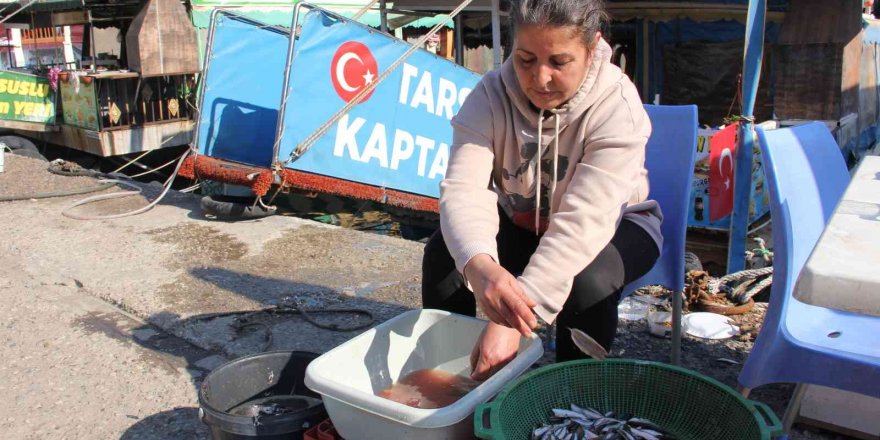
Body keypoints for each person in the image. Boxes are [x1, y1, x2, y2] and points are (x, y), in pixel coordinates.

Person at [421, 0, 662, 381]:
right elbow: (464, 189)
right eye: (526, 59)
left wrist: (511, 321)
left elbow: (583, 223)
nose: (540, 78)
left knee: (590, 283)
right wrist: (480, 267)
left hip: (614, 228)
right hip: (522, 220)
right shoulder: (488, 96)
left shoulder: (616, 106)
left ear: (593, 46)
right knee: (444, 254)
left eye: (559, 62)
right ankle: (453, 381)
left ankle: (571, 395)